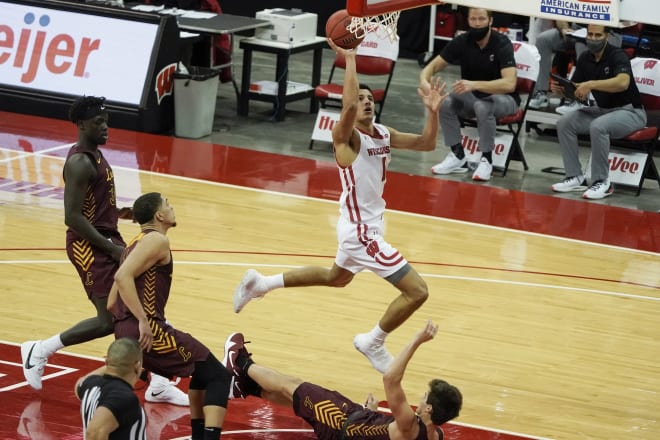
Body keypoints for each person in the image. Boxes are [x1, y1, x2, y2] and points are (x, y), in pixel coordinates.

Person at [233, 38, 446, 374]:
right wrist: (349, 58)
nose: (365, 102)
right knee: (418, 291)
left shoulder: (381, 133)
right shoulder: (345, 137)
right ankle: (372, 340)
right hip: (361, 231)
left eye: (369, 98)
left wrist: (432, 112)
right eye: (359, 98)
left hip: (361, 225)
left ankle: (262, 283)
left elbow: (426, 143)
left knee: (337, 278)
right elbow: (346, 108)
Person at [20, 96, 188, 406]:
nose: (106, 127)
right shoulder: (80, 162)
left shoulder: (96, 155)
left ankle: (159, 380)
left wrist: (123, 213)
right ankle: (40, 349)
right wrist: (110, 248)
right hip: (90, 246)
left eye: (107, 120)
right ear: (82, 125)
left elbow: (95, 206)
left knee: (144, 302)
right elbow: (72, 217)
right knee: (108, 319)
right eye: (99, 123)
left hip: (108, 237)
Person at [109, 192, 235, 440]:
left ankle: (198, 434)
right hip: (147, 330)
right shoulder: (157, 240)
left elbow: (112, 302)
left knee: (202, 371)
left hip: (124, 331)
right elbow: (120, 278)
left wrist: (130, 326)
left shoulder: (133, 245)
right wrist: (144, 321)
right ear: (159, 215)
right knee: (219, 376)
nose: (172, 207)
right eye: (168, 204)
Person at [223, 320, 462, 440]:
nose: (420, 398)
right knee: (295, 399)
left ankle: (239, 362)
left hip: (340, 423)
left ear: (429, 408)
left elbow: (390, 378)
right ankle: (243, 387)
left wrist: (417, 340)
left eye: (424, 397)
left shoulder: (411, 425)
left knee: (293, 385)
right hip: (357, 422)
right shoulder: (436, 436)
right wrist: (374, 417)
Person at [420, 7, 518, 182]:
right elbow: (433, 66)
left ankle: (486, 160)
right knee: (445, 101)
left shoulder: (502, 43)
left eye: (481, 19)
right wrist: (424, 80)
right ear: (468, 20)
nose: (477, 23)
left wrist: (474, 84)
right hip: (473, 98)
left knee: (483, 105)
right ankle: (458, 156)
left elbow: (510, 84)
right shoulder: (462, 40)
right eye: (473, 19)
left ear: (490, 21)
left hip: (505, 100)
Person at [550, 24, 646, 200]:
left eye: (598, 35)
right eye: (590, 34)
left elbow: (622, 82)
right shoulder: (586, 57)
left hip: (631, 112)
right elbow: (578, 91)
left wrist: (591, 84)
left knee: (598, 126)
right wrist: (562, 90)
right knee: (565, 122)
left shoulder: (618, 55)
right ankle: (574, 176)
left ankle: (602, 182)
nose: (593, 38)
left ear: (607, 37)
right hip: (603, 110)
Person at [528, 20, 623, 112]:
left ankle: (580, 100)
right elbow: (561, 12)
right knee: (543, 39)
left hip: (607, 33)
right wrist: (564, 28)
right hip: (577, 31)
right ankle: (541, 94)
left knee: (582, 47)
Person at [75, 337, 147, 440]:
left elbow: (79, 383)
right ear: (137, 366)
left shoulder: (89, 384)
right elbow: (94, 432)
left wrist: (114, 362)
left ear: (107, 362)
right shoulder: (123, 397)